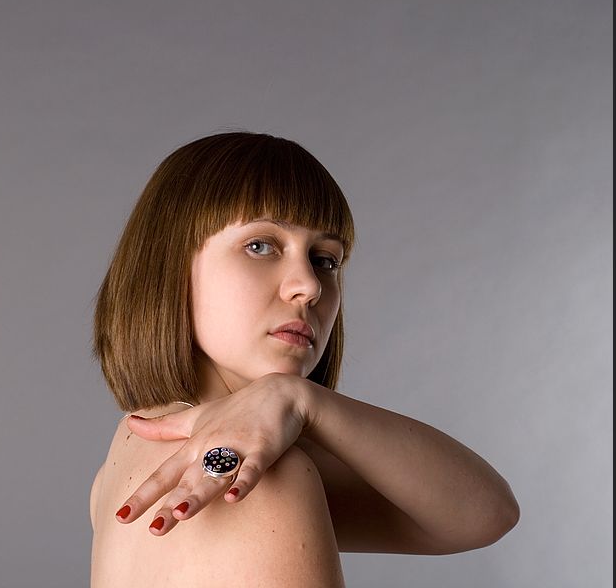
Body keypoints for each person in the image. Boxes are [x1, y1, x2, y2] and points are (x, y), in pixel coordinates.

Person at [88, 131, 519, 587]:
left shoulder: (118, 471)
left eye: (325, 260)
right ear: (168, 264)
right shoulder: (255, 480)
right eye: (260, 245)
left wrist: (297, 398)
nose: (309, 286)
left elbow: (486, 514)